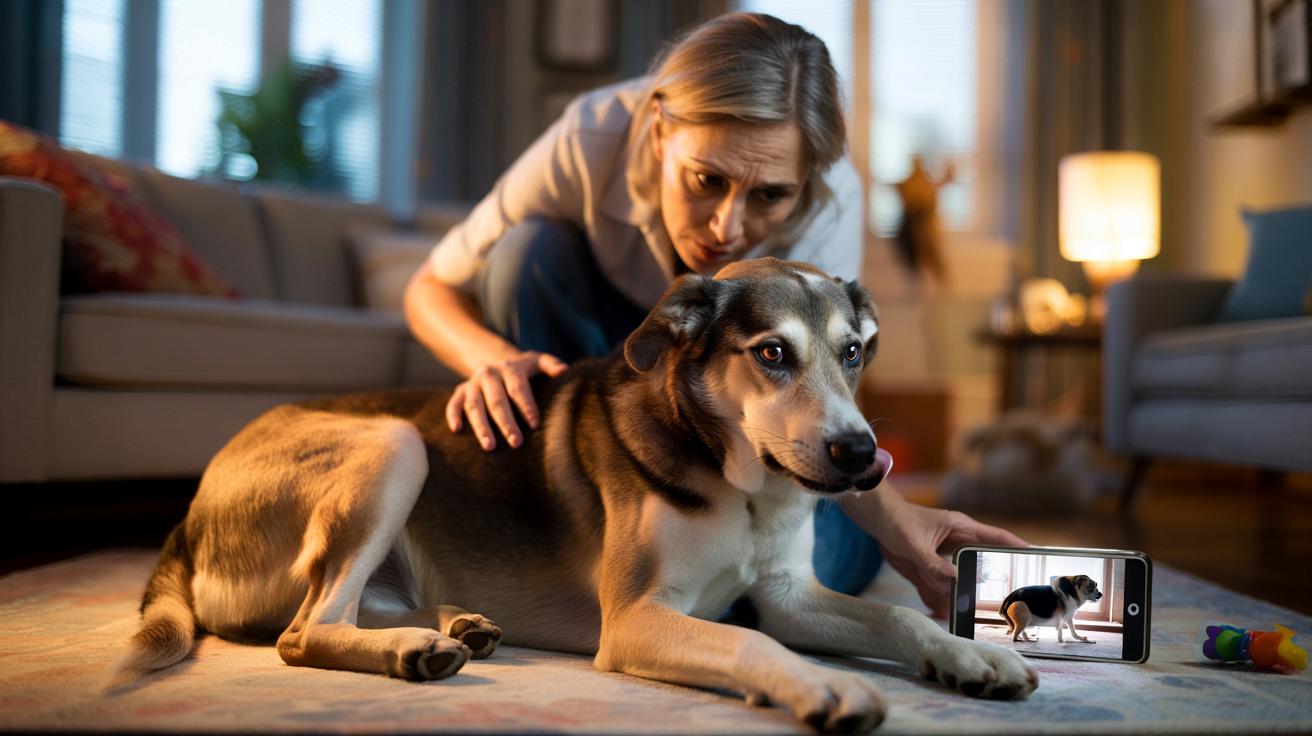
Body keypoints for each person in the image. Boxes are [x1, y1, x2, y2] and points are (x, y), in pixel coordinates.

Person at [405, 11, 1025, 618]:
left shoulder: (830, 200)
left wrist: (896, 524)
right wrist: (490, 358)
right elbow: (429, 288)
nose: (728, 226)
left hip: (736, 396)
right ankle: (587, 537)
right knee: (527, 253)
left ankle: (686, 570)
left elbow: (817, 399)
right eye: (705, 179)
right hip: (591, 366)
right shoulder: (589, 136)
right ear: (657, 133)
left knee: (808, 574)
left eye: (769, 195)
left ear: (806, 179)